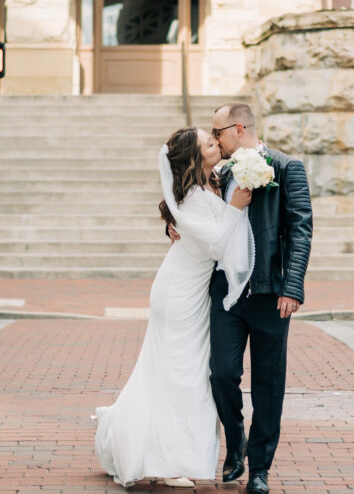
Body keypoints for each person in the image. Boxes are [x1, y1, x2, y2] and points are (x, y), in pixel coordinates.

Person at [95, 127, 255, 489]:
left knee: (180, 374)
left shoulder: (214, 180)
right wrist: (233, 210)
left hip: (194, 292)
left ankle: (142, 440)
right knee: (180, 376)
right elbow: (215, 245)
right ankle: (170, 461)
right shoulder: (193, 198)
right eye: (209, 143)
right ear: (196, 158)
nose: (217, 143)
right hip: (179, 295)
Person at [168, 103, 313, 494]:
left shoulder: (285, 167)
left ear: (236, 128)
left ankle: (260, 469)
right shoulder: (219, 172)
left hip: (270, 292)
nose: (213, 140)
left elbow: (300, 231)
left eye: (217, 133)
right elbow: (184, 195)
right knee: (222, 374)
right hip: (226, 294)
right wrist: (170, 221)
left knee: (268, 383)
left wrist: (292, 286)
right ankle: (236, 446)